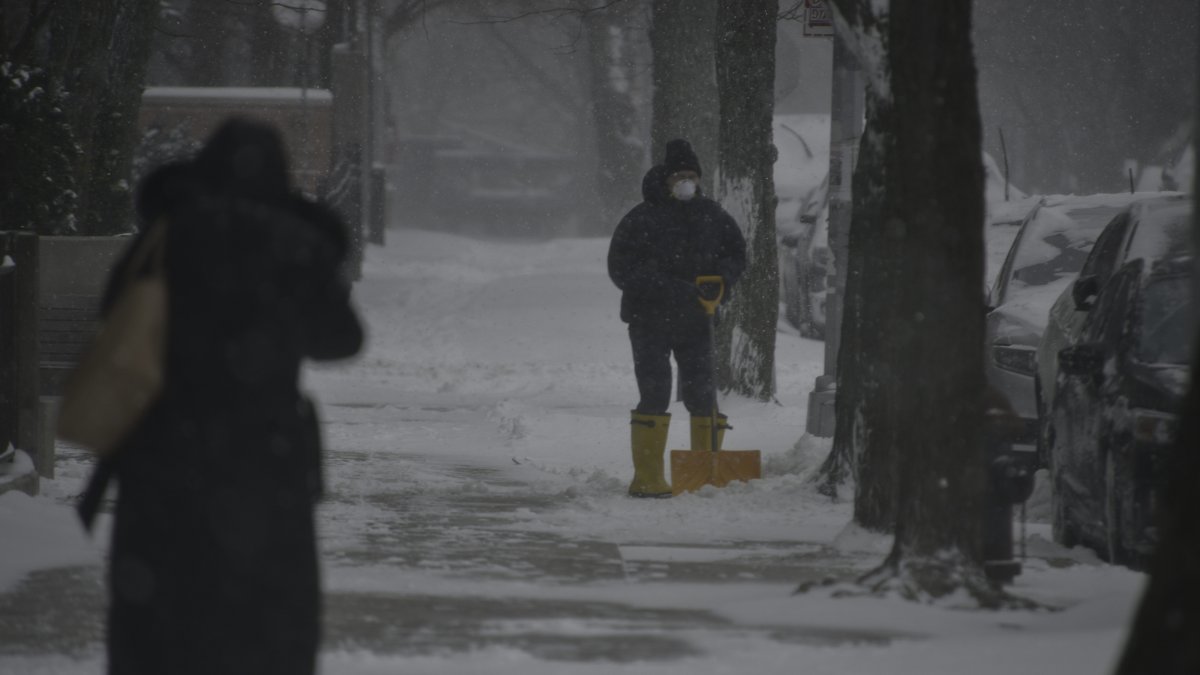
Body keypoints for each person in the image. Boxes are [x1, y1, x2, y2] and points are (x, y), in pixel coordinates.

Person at [79, 118, 363, 675]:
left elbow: (112, 315)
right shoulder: (294, 242)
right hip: (265, 464)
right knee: (263, 618)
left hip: (163, 455)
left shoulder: (166, 235)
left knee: (162, 615)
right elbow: (341, 338)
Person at [607, 139, 746, 498]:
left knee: (702, 393)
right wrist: (670, 288)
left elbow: (736, 253)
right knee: (655, 392)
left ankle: (703, 474)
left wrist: (722, 280)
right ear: (666, 179)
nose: (687, 182)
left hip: (697, 321)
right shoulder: (641, 218)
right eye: (680, 176)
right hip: (648, 321)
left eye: (692, 176)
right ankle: (648, 478)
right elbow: (621, 268)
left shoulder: (712, 215)